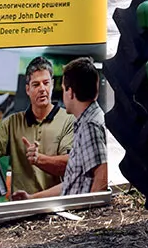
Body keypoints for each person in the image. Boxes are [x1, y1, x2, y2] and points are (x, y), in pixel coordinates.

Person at [0, 56, 75, 196]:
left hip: (54, 206)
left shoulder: (69, 121)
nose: (42, 89)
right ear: (27, 89)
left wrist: (39, 159)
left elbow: (70, 166)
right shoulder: (13, 122)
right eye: (36, 85)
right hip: (20, 205)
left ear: (52, 85)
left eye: (46, 83)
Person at [12, 57, 108, 199]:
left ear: (70, 92)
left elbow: (102, 174)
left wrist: (92, 210)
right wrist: (32, 198)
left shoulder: (90, 125)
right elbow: (71, 183)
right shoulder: (86, 121)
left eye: (63, 89)